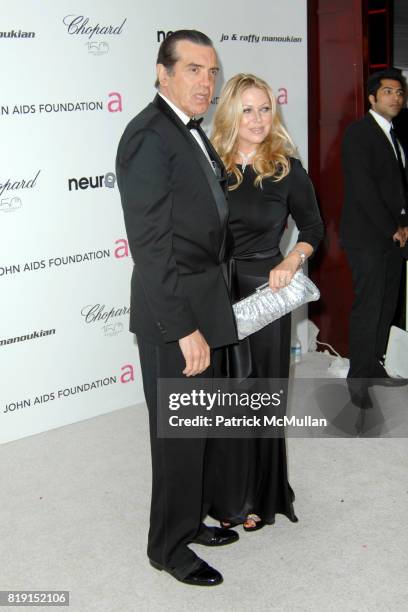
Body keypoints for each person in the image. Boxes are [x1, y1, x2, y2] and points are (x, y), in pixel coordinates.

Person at [115, 30, 239, 587]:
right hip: (175, 311)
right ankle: (168, 547)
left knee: (199, 425)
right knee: (177, 437)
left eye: (211, 72)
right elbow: (151, 247)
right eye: (193, 70)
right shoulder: (146, 135)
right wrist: (183, 326)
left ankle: (189, 520)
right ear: (162, 73)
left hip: (205, 297)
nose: (206, 83)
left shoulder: (188, 130)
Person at [209, 74, 324, 529]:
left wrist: (292, 259)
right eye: (247, 109)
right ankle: (222, 495)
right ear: (231, 114)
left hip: (266, 292)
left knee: (259, 394)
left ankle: (258, 494)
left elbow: (315, 230)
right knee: (220, 395)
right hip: (217, 289)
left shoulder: (287, 170)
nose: (258, 119)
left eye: (265, 109)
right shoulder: (212, 165)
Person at [340, 68, 408, 393]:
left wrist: (404, 226)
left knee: (387, 305)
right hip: (368, 237)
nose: (396, 97)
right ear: (372, 98)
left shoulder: (396, 134)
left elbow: (398, 189)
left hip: (395, 237)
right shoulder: (359, 133)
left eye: (399, 92)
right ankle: (358, 380)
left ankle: (374, 365)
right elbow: (363, 189)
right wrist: (393, 228)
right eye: (388, 92)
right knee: (369, 306)